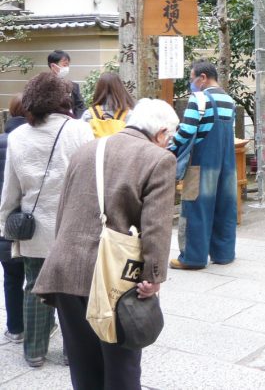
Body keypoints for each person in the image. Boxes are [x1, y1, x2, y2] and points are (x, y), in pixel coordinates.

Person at [33, 99, 178, 390]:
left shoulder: (87, 150)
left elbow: (64, 211)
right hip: (112, 275)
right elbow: (156, 226)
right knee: (121, 366)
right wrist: (152, 277)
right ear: (161, 133)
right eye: (170, 139)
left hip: (65, 270)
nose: (168, 145)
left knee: (83, 365)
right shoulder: (158, 159)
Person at [0, 72, 94, 367]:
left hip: (35, 230)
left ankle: (35, 351)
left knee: (34, 287)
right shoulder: (80, 131)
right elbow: (92, 182)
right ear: (62, 99)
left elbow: (10, 192)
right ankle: (73, 352)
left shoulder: (17, 137)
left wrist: (6, 225)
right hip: (74, 227)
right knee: (74, 289)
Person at [169, 60, 238, 270]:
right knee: (225, 207)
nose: (192, 83)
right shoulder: (229, 100)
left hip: (201, 164)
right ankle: (224, 254)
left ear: (203, 78)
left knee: (195, 207)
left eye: (192, 78)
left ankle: (193, 258)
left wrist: (170, 148)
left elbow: (187, 131)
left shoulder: (199, 99)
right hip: (227, 164)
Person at [0, 95, 27, 345]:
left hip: (4, 225)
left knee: (12, 277)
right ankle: (41, 326)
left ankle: (16, 328)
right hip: (33, 222)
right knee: (37, 277)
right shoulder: (35, 142)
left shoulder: (1, 141)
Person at [48, 50, 87, 117]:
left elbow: (80, 106)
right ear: (53, 66)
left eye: (68, 65)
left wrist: (77, 121)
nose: (66, 68)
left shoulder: (73, 86)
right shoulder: (43, 86)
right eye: (64, 65)